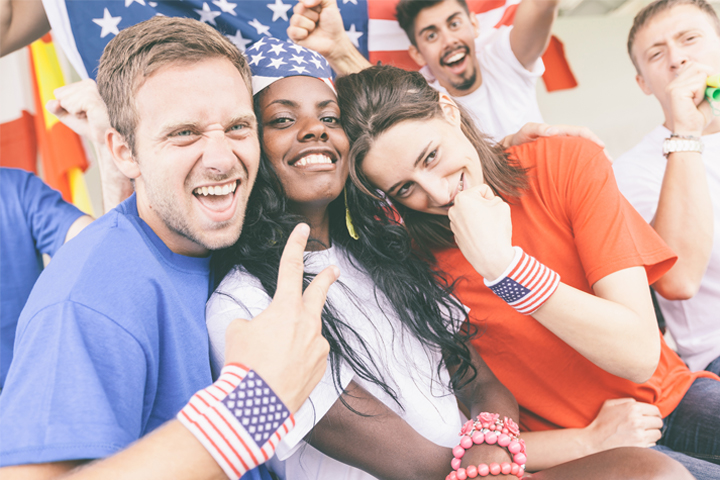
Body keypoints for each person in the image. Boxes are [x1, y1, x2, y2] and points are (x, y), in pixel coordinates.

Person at [205, 39, 691, 480]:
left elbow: (479, 380)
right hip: (462, 468)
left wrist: (492, 438)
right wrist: (522, 447)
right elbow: (411, 462)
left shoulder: (383, 256)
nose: (314, 132)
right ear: (249, 148)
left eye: (329, 118)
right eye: (282, 120)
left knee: (651, 470)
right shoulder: (240, 305)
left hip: (512, 453)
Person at [335, 64, 720, 479]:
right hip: (573, 456)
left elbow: (639, 356)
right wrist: (590, 440)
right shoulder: (407, 263)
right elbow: (468, 438)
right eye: (404, 189)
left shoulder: (561, 161)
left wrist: (507, 270)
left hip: (669, 394)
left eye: (432, 156)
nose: (439, 193)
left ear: (448, 109)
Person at [0, 16, 337, 480]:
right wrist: (259, 402)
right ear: (125, 153)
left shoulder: (231, 230)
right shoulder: (87, 297)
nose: (222, 159)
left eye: (239, 127)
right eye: (185, 133)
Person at [613, 0, 720, 377]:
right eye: (657, 54)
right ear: (643, 83)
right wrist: (687, 131)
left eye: (690, 38)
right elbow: (678, 280)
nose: (677, 58)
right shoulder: (632, 170)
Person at [288, 0, 558, 140]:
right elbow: (386, 98)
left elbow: (541, 5)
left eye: (454, 24)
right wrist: (337, 49)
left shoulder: (504, 60)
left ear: (474, 25)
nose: (448, 40)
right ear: (417, 53)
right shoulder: (422, 100)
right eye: (431, 35)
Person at [0, 167, 92, 389]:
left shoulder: (15, 188)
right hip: (33, 393)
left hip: (33, 392)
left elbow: (93, 246)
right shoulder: (15, 187)